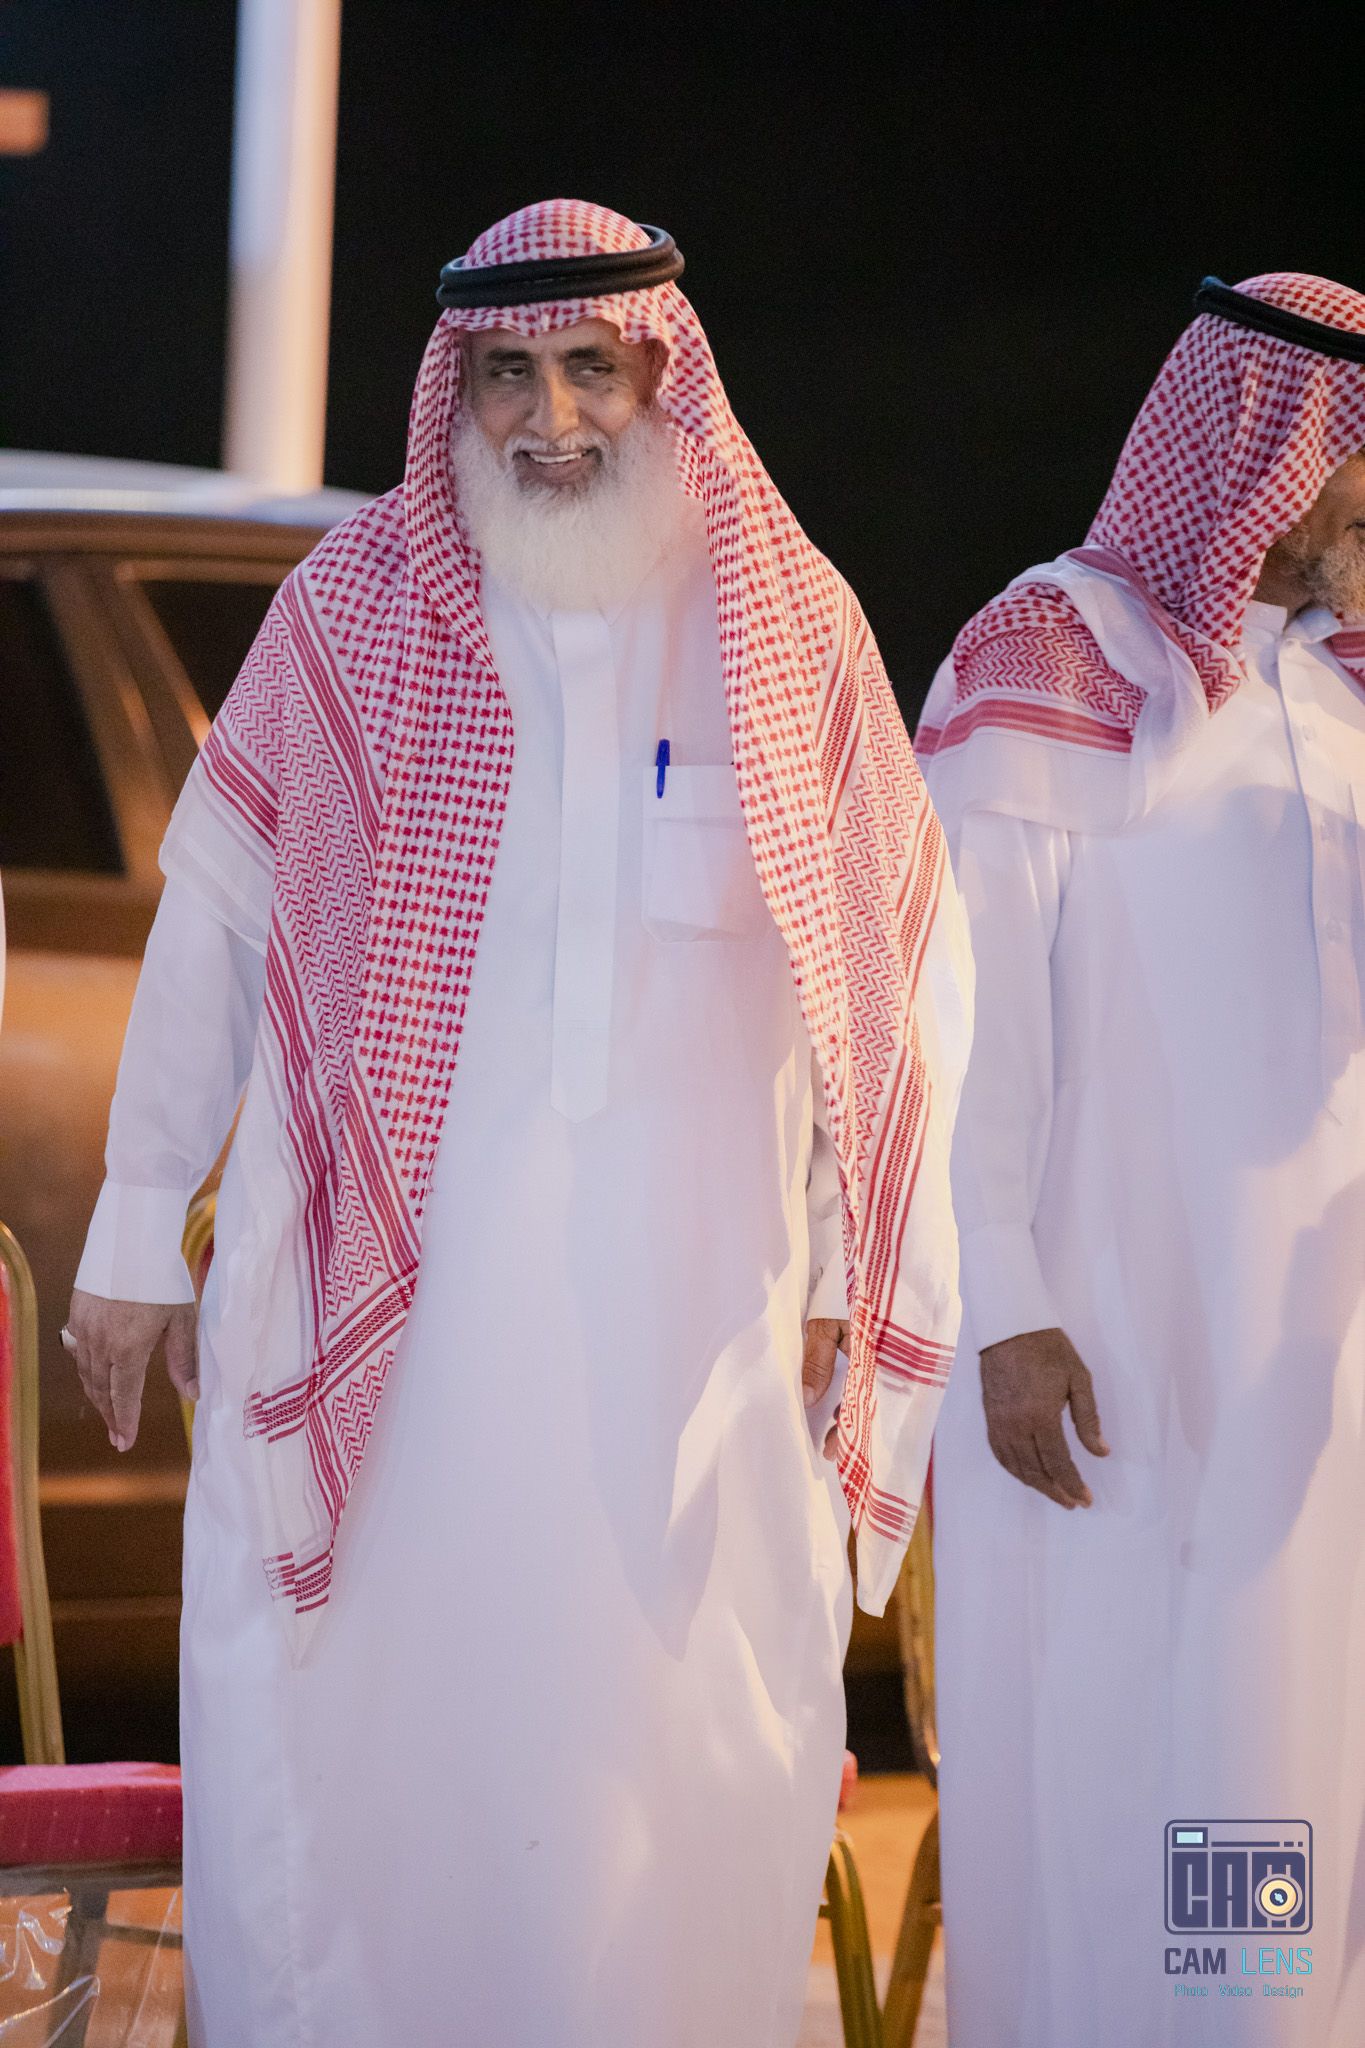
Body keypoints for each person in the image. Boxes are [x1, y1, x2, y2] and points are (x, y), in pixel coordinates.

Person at [65, 201, 971, 2048]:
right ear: (453, 391)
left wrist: (848, 1262)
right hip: (392, 1352)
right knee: (373, 1772)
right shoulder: (351, 617)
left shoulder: (784, 633)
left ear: (661, 375)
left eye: (587, 369)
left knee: (664, 1803)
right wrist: (135, 1228)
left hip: (684, 1363)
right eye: (503, 375)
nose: (549, 418)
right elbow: (216, 921)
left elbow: (889, 987)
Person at [918, 272, 1365, 2047]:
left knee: (1295, 1724)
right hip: (1107, 1343)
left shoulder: (1342, 688)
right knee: (1148, 1736)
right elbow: (962, 1027)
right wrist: (1002, 1306)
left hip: (1311, 1361)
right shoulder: (1050, 656)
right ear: (1276, 450)